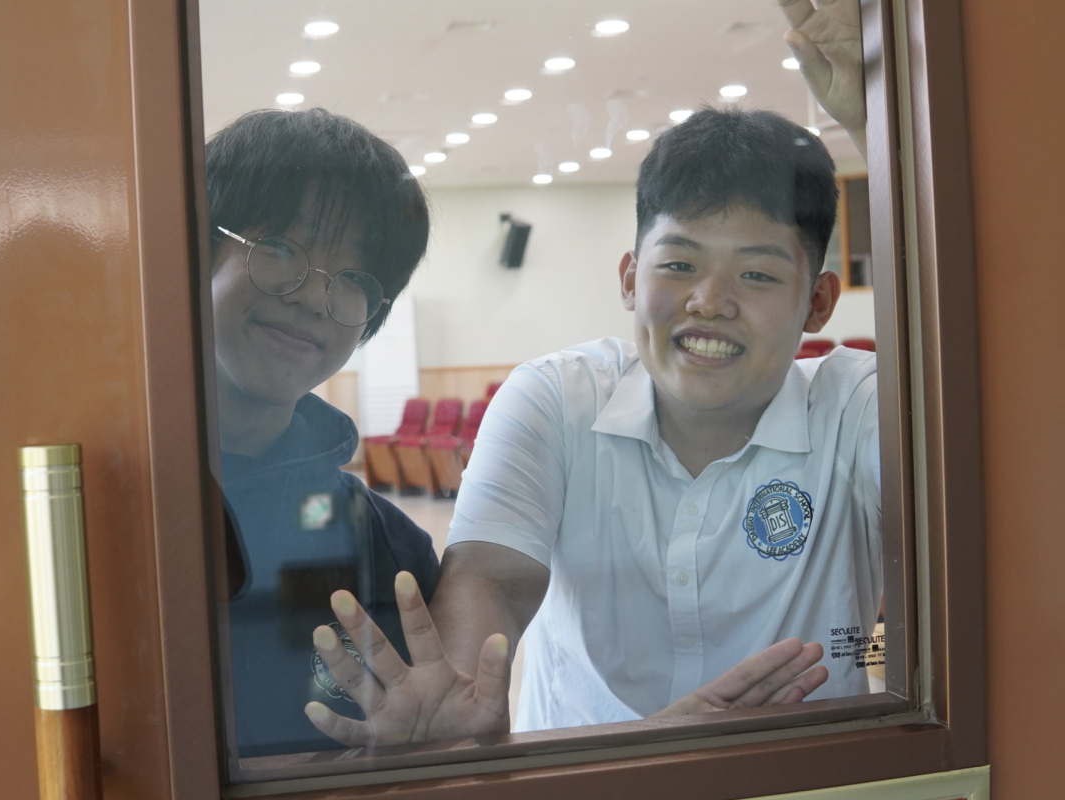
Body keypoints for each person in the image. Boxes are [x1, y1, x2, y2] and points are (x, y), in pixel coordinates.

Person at [301, 0, 878, 746]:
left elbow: (990, 377)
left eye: (759, 275)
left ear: (819, 302)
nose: (710, 301)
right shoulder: (554, 400)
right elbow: (492, 579)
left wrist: (887, 127)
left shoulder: (857, 404)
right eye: (680, 264)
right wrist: (465, 700)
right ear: (631, 280)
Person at [205, 107, 438, 757]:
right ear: (195, 247)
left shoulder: (392, 549)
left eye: (354, 279)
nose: (314, 297)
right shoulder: (106, 501)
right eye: (281, 250)